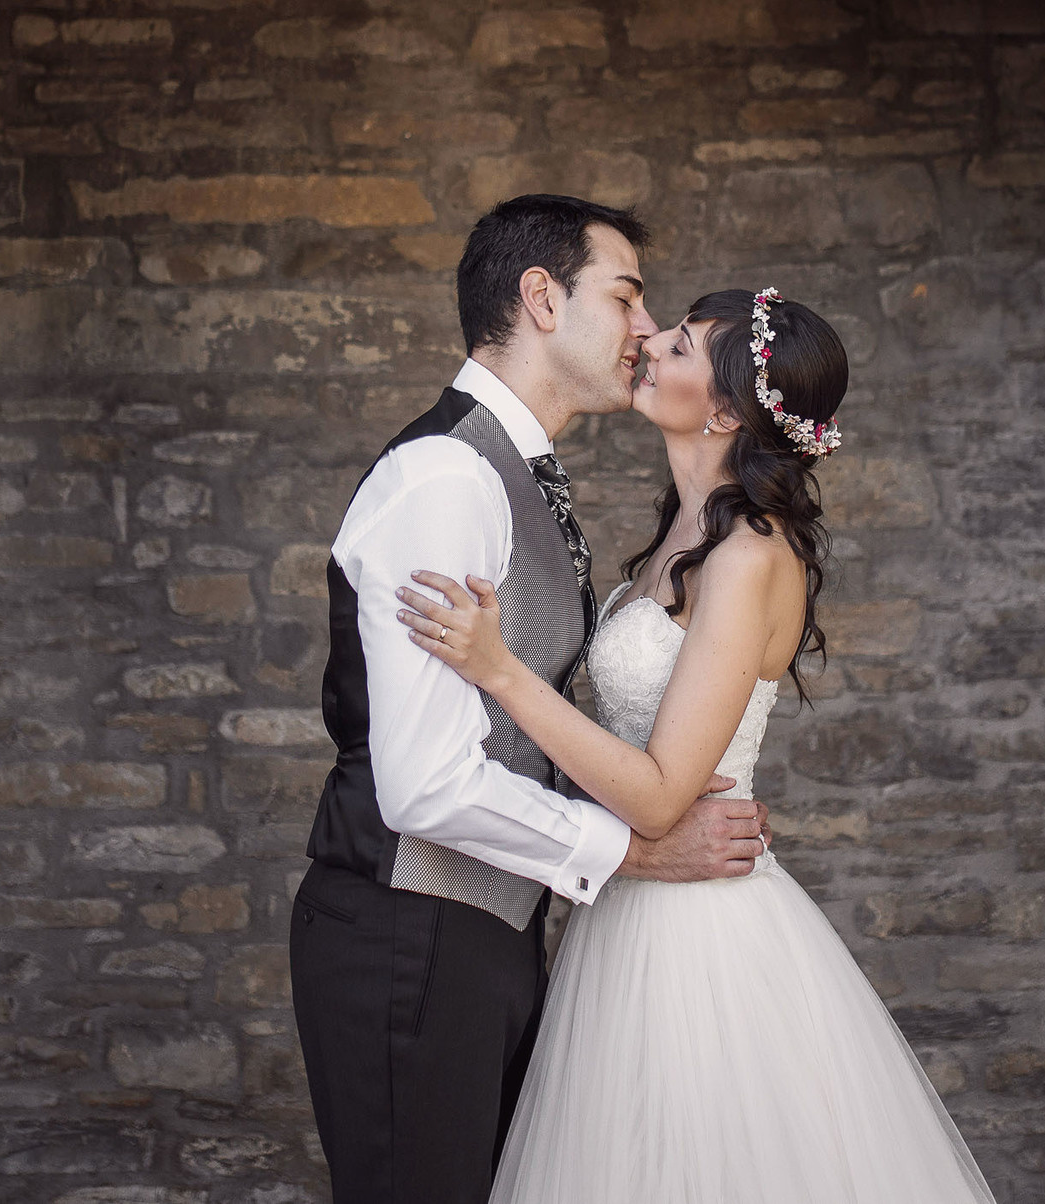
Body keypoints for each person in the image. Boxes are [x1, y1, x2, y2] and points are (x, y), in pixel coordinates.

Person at [398, 286, 998, 1204]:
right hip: (625, 907)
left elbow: (659, 796)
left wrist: (499, 670)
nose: (646, 344)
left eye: (676, 346)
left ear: (722, 407)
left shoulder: (750, 554)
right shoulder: (682, 531)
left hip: (698, 934)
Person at [290, 195, 771, 1204]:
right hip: (406, 937)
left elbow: (514, 729)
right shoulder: (445, 479)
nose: (644, 329)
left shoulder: (513, 476)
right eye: (626, 295)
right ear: (542, 298)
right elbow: (424, 788)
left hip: (485, 938)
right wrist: (635, 851)